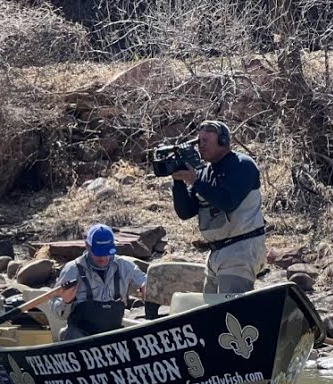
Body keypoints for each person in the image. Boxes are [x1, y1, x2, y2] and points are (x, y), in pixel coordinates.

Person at [169, 120, 266, 294]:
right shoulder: (205, 172)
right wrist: (178, 182)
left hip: (240, 249)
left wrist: (196, 181)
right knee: (211, 313)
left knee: (230, 313)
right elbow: (186, 212)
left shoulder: (242, 165)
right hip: (216, 253)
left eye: (206, 141)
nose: (201, 146)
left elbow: (228, 202)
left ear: (222, 141)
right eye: (199, 141)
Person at [51, 224, 149, 341]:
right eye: (98, 253)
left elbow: (147, 283)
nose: (103, 257)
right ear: (87, 246)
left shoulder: (125, 266)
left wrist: (147, 288)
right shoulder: (72, 269)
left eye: (107, 252)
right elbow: (58, 314)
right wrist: (66, 301)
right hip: (80, 339)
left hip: (113, 338)